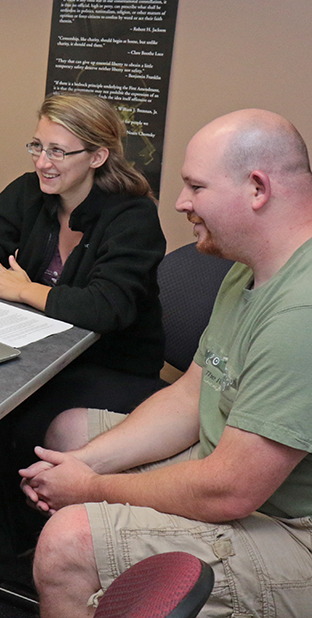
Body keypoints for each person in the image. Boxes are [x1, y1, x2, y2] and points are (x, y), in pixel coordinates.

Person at [23, 109, 312, 618]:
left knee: (66, 542)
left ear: (258, 188)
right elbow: (189, 395)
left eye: (196, 187)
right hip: (231, 468)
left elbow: (230, 489)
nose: (181, 203)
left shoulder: (300, 314)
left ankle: (80, 579)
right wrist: (83, 466)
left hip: (291, 528)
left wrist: (88, 489)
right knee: (71, 435)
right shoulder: (249, 268)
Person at [0, 92, 165, 582]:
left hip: (112, 365)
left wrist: (23, 289)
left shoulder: (132, 216)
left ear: (97, 156)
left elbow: (107, 307)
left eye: (58, 151)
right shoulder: (27, 193)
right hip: (41, 349)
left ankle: (2, 546)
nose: (42, 162)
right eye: (37, 146)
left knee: (15, 413)